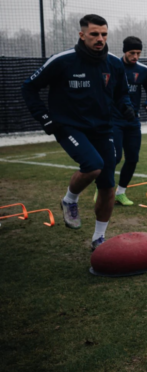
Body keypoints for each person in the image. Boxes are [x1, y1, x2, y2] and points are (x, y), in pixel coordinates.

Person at [21, 14, 134, 250]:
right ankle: (69, 200)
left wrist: (125, 106)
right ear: (82, 35)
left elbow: (121, 93)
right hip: (69, 126)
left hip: (103, 129)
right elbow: (29, 87)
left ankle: (98, 238)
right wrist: (45, 118)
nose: (100, 38)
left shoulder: (114, 63)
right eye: (94, 34)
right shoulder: (62, 61)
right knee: (93, 165)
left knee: (107, 185)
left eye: (104, 34)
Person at [103, 36, 147, 206]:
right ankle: (102, 188)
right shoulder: (113, 67)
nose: (135, 56)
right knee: (115, 156)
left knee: (133, 158)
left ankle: (120, 193)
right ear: (124, 51)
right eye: (132, 53)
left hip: (133, 120)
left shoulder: (144, 70)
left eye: (138, 53)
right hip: (114, 120)